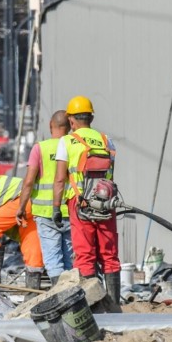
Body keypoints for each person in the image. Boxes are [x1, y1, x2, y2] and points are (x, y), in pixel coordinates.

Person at [52, 95, 121, 304]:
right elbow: (110, 176)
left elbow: (60, 179)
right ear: (91, 117)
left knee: (84, 254)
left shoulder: (67, 141)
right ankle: (114, 304)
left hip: (79, 203)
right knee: (109, 254)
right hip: (105, 203)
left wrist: (56, 208)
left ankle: (95, 303)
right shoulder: (106, 139)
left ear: (71, 120)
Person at [16, 110, 73, 287]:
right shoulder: (74, 145)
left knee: (53, 259)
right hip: (70, 211)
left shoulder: (40, 148)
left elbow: (28, 182)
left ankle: (61, 295)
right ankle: (74, 294)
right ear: (70, 127)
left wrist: (21, 208)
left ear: (50, 126)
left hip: (46, 214)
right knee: (71, 259)